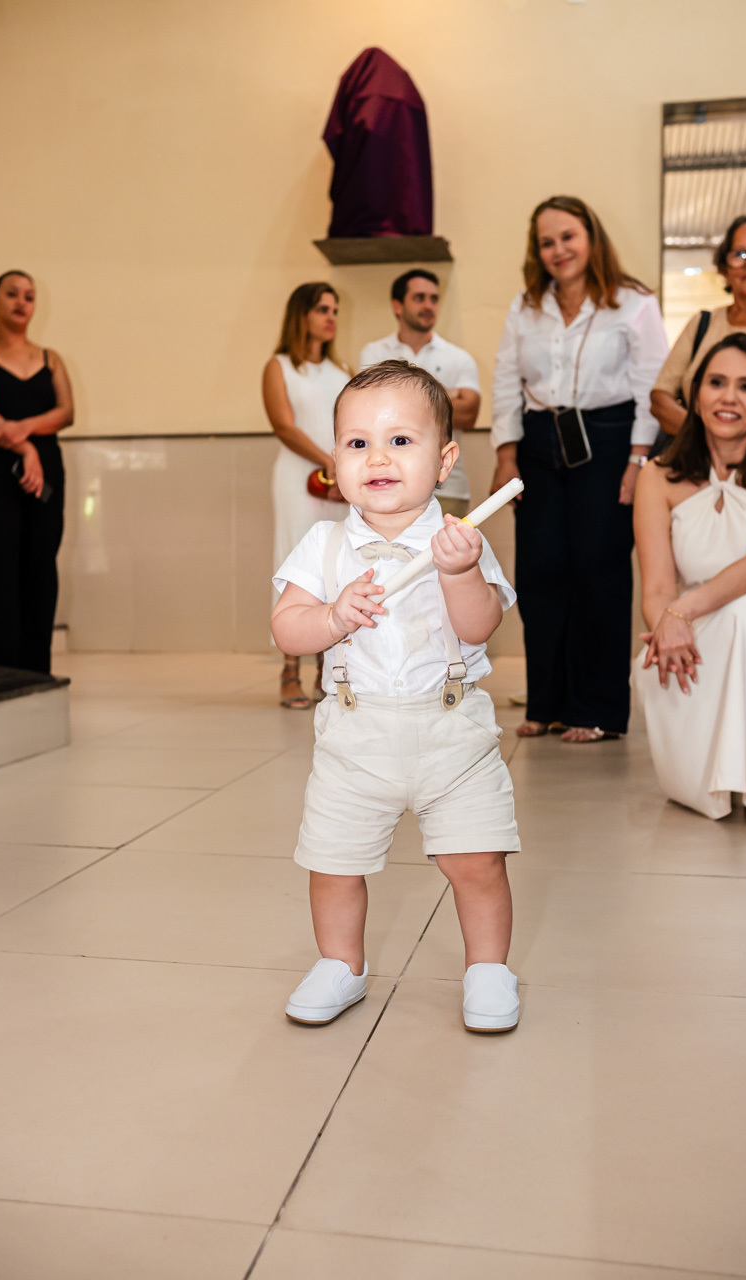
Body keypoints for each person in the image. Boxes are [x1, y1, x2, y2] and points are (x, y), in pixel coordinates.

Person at [272, 360, 521, 1032]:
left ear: (443, 461)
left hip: (451, 732)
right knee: (333, 862)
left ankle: (488, 969)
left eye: (400, 441)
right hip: (354, 736)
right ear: (334, 460)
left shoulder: (457, 542)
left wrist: (461, 572)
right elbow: (287, 629)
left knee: (474, 860)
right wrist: (329, 618)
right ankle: (340, 964)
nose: (377, 457)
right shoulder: (323, 545)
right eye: (357, 444)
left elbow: (478, 627)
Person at [491, 195, 670, 743]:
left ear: (590, 237)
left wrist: (640, 460)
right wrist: (505, 454)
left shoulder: (633, 302)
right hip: (540, 442)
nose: (558, 250)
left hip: (612, 442)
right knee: (542, 571)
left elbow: (650, 386)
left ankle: (597, 709)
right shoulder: (526, 307)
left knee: (598, 568)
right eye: (547, 242)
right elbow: (504, 381)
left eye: (568, 237)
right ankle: (546, 702)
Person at [633, 333, 746, 820]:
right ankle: (700, 785)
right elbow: (657, 589)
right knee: (650, 663)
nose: (729, 397)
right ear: (694, 396)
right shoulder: (657, 476)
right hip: (695, 622)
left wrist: (678, 613)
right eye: (717, 382)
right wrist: (667, 624)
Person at [0, 270, 73, 674]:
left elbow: (66, 412)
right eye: (11, 294)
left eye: (29, 296)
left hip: (46, 475)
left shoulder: (50, 358)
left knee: (41, 565)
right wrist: (24, 447)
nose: (21, 302)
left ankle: (38, 673)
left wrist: (24, 431)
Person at [262, 282, 350, 709]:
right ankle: (289, 671)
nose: (331, 316)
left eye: (334, 309)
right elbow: (284, 425)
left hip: (337, 481)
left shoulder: (343, 372)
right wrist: (324, 460)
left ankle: (326, 672)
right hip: (298, 476)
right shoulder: (279, 366)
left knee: (335, 566)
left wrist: (343, 469)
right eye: (321, 309)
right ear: (301, 315)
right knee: (297, 566)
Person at [651, 213, 746, 440]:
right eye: (739, 254)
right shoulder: (701, 324)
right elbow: (660, 399)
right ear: (725, 270)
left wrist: (743, 441)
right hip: (702, 465)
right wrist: (711, 440)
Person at [359, 269, 481, 518]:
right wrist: (446, 396)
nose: (429, 305)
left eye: (434, 299)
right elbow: (367, 412)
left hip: (449, 486)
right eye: (419, 298)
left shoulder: (458, 358)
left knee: (448, 557)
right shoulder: (372, 354)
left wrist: (397, 399)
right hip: (388, 484)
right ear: (397, 305)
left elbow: (469, 415)